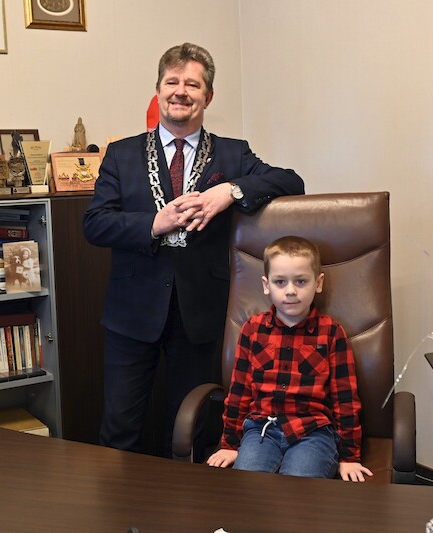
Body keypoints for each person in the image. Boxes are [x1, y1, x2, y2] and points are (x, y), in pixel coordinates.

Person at [82, 42, 305, 457]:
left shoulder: (233, 153)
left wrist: (229, 190)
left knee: (194, 429)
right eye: (172, 82)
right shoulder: (122, 154)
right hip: (131, 312)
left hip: (201, 313)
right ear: (158, 90)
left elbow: (291, 181)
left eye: (192, 84)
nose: (180, 92)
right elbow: (95, 223)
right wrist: (154, 223)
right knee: (119, 429)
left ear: (208, 96)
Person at [206, 236, 372, 482]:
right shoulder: (252, 330)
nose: (291, 290)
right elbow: (239, 393)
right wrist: (229, 444)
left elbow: (345, 400)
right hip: (261, 430)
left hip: (313, 432)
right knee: (247, 485)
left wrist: (350, 456)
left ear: (318, 283)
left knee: (299, 486)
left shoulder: (331, 332)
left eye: (301, 281)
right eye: (280, 282)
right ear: (266, 285)